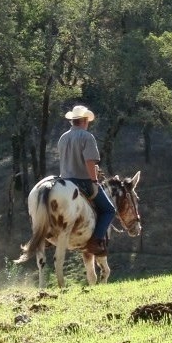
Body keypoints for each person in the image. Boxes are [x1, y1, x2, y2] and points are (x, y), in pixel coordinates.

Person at [57, 104, 116, 257]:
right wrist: (94, 181)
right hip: (82, 181)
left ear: (73, 121)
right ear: (84, 121)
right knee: (109, 210)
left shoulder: (63, 137)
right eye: (87, 120)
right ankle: (94, 242)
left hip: (64, 182)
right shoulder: (87, 137)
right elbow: (90, 162)